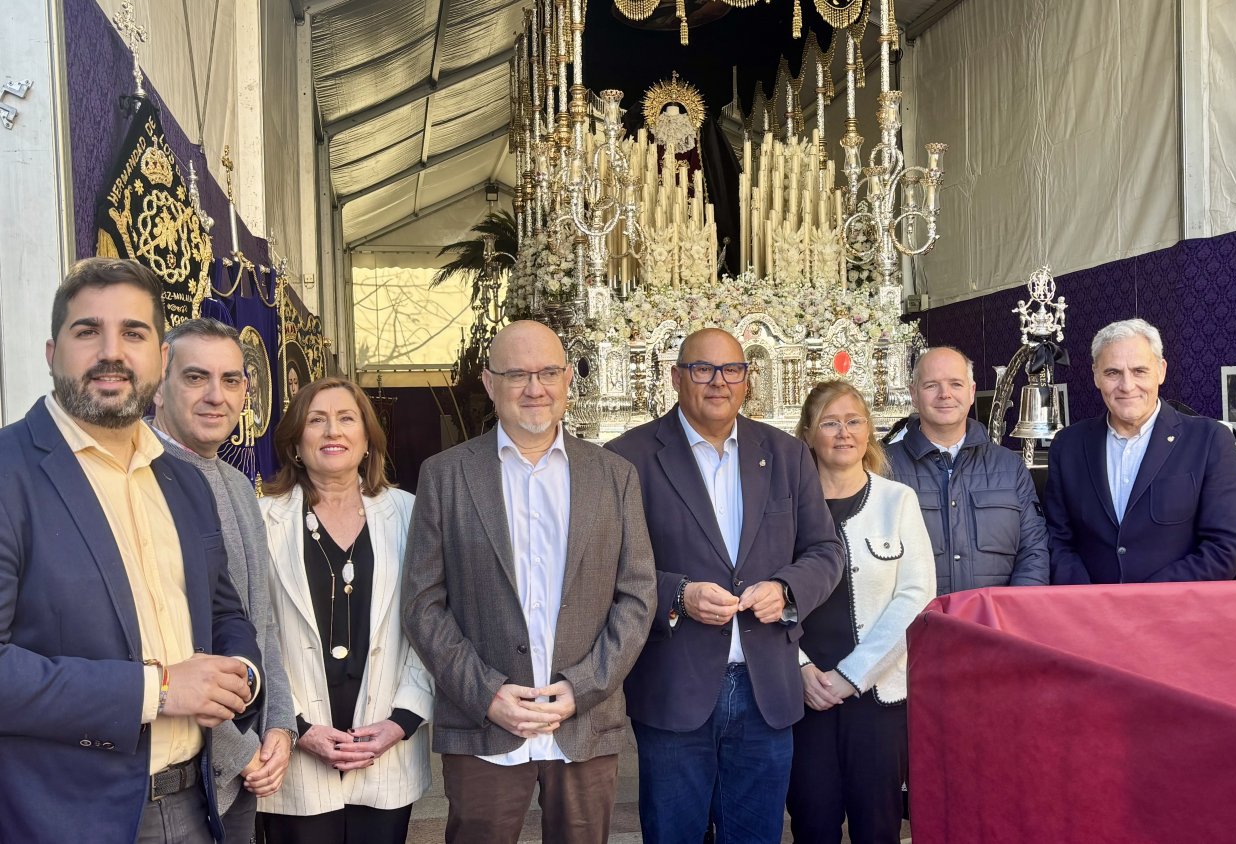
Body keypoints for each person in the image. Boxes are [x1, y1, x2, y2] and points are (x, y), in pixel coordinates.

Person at [0, 257, 262, 843]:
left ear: (161, 359)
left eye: (134, 333)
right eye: (87, 331)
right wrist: (160, 689)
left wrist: (242, 673)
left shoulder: (185, 482)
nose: (111, 352)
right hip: (55, 819)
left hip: (196, 806)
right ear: (51, 353)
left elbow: (223, 613)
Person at [402, 320, 657, 844]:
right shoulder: (445, 476)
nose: (534, 387)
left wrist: (581, 687)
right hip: (485, 725)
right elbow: (423, 603)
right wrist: (487, 693)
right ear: (490, 382)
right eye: (516, 374)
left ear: (568, 379)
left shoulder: (615, 475)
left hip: (583, 724)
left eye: (547, 373)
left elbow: (637, 595)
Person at [606, 327, 844, 844]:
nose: (719, 382)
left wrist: (786, 587)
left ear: (747, 380)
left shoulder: (785, 454)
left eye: (732, 369)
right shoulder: (628, 457)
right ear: (676, 377)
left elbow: (827, 552)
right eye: (702, 369)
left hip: (766, 692)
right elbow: (608, 566)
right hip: (676, 690)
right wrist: (678, 594)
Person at [256, 377, 434, 843]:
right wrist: (294, 725)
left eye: (346, 418)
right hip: (294, 750)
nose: (332, 431)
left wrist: (403, 720)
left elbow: (435, 622)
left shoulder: (411, 513)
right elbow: (251, 632)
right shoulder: (261, 519)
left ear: (367, 438)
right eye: (317, 420)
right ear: (295, 441)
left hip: (387, 745)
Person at [150, 317, 297, 842]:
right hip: (178, 775)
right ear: (158, 382)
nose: (217, 396)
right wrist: (241, 747)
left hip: (242, 769)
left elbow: (262, 626)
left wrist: (280, 726)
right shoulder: (137, 480)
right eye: (196, 378)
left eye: (231, 380)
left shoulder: (237, 484)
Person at [786, 381, 934, 843]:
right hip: (803, 698)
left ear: (868, 431)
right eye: (830, 422)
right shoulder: (781, 508)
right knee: (813, 822)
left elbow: (916, 595)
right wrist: (802, 670)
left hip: (876, 698)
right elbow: (765, 594)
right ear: (808, 432)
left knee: (878, 826)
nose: (843, 433)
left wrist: (852, 675)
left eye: (854, 421)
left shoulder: (897, 500)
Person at [1044, 318, 1236, 583]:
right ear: (1095, 376)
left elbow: (1222, 549)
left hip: (1178, 616)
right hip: (1091, 616)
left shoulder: (1210, 440)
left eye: (1139, 371)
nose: (1127, 386)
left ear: (1161, 371)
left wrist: (1142, 602)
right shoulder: (1067, 446)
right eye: (1112, 372)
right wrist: (1089, 601)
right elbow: (1057, 540)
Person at [886, 346, 1049, 594]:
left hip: (995, 625)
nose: (945, 394)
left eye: (956, 384)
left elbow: (1034, 550)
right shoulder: (883, 467)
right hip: (916, 627)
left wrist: (1013, 613)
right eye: (931, 385)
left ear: (971, 392)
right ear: (914, 395)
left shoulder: (1009, 467)